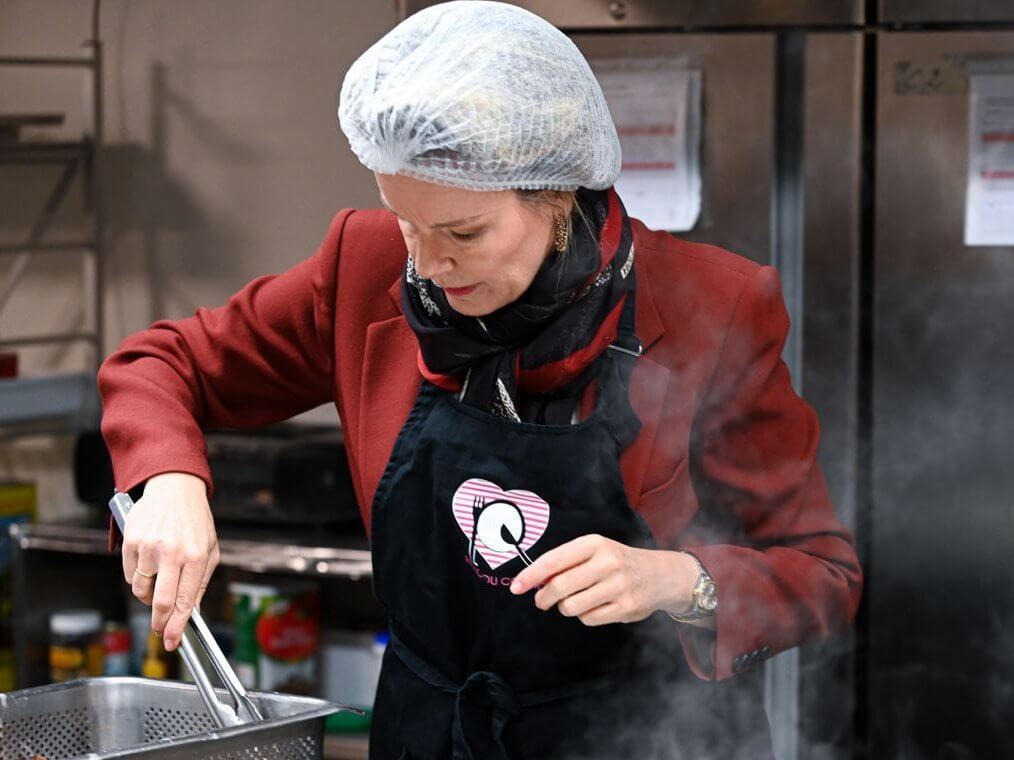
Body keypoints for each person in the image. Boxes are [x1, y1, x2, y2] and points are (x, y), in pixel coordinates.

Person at [97, 2, 862, 758]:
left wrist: (678, 579)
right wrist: (167, 480)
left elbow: (822, 574)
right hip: (430, 734)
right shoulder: (363, 267)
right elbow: (159, 363)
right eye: (407, 224)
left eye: (464, 233)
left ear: (558, 196)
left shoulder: (713, 308)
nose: (427, 266)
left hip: (646, 737)